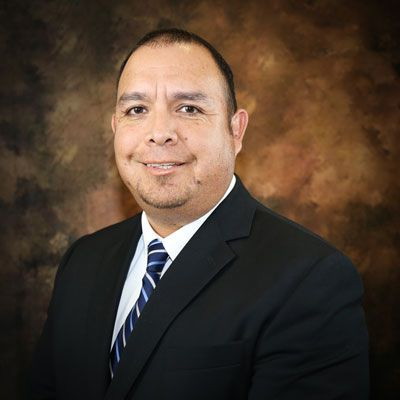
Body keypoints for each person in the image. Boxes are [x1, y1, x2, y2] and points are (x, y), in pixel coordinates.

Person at [28, 28, 369, 400]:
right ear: (115, 128)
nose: (159, 133)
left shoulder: (310, 279)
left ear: (235, 131)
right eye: (136, 110)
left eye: (188, 108)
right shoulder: (83, 261)